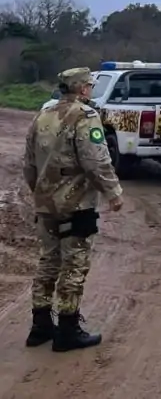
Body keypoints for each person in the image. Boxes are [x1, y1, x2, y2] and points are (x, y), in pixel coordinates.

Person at [23, 67, 124, 352]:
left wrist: (39, 192)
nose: (91, 89)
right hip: (75, 203)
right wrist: (114, 192)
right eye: (90, 85)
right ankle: (68, 329)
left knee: (48, 261)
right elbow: (96, 161)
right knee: (74, 263)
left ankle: (40, 326)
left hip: (46, 203)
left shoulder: (42, 115)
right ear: (81, 89)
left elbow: (28, 163)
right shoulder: (85, 116)